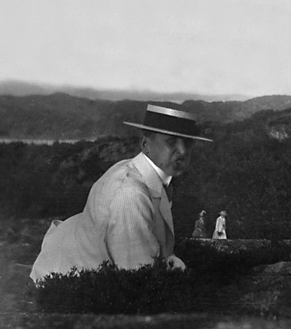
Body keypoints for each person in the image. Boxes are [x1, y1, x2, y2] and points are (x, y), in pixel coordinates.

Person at [30, 105, 212, 282]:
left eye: (187, 143)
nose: (182, 151)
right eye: (171, 142)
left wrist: (168, 260)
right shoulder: (130, 194)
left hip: (80, 263)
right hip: (70, 280)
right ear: (145, 144)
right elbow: (139, 276)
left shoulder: (143, 173)